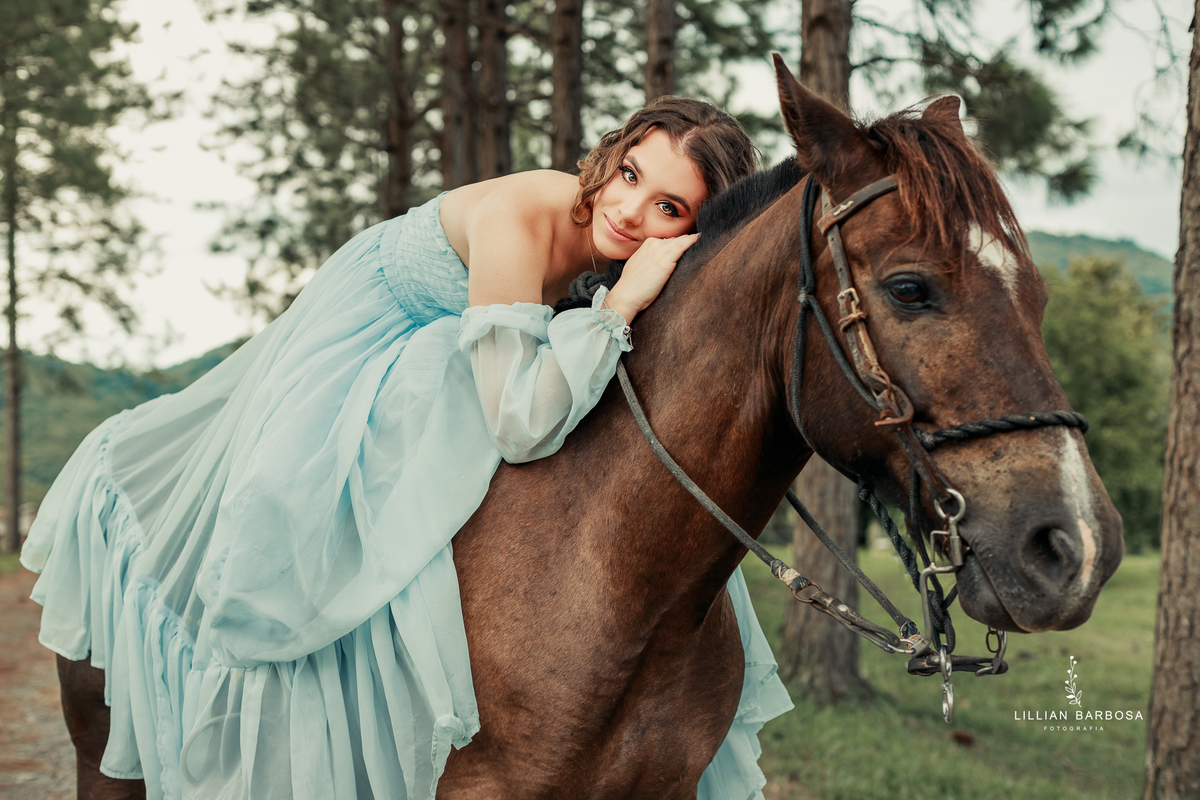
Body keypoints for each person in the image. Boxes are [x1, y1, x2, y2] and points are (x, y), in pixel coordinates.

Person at [21, 97, 791, 799]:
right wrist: (619, 303)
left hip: (469, 352)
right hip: (377, 325)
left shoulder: (623, 247)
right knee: (297, 503)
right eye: (629, 173)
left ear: (690, 228)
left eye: (666, 205)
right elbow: (517, 421)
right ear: (613, 153)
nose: (626, 211)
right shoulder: (527, 213)